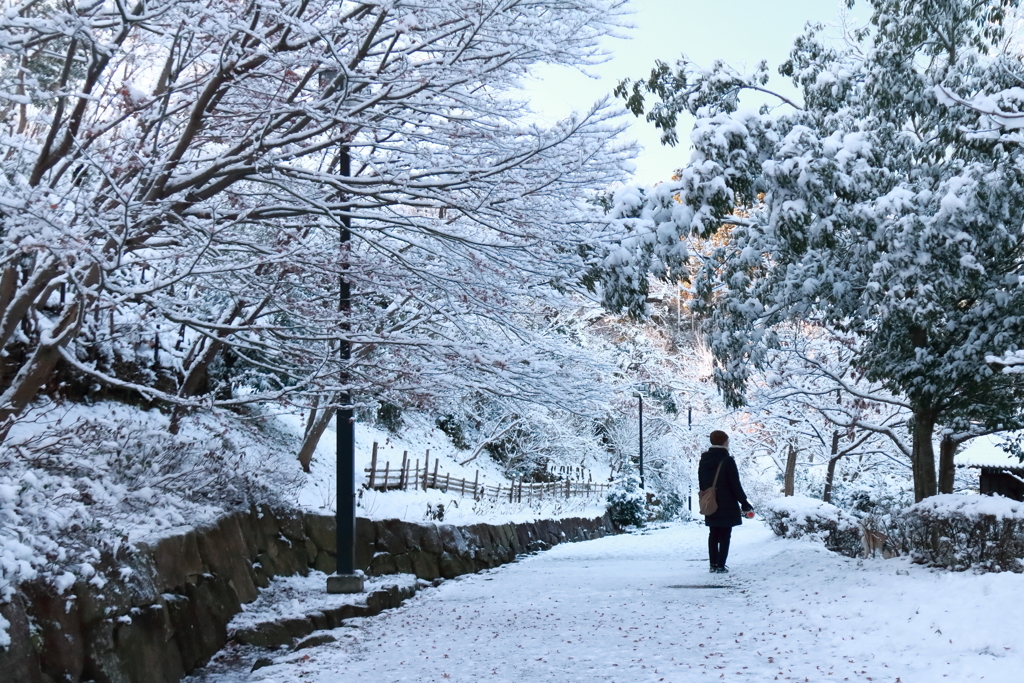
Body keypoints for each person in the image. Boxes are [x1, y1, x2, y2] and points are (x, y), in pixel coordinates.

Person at [698, 430, 753, 574]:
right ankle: (721, 565)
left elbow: (702, 482)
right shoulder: (727, 460)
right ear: (724, 442)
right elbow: (735, 484)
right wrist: (744, 502)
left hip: (711, 501)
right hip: (727, 503)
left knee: (713, 533)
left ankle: (713, 564)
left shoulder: (704, 459)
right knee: (725, 534)